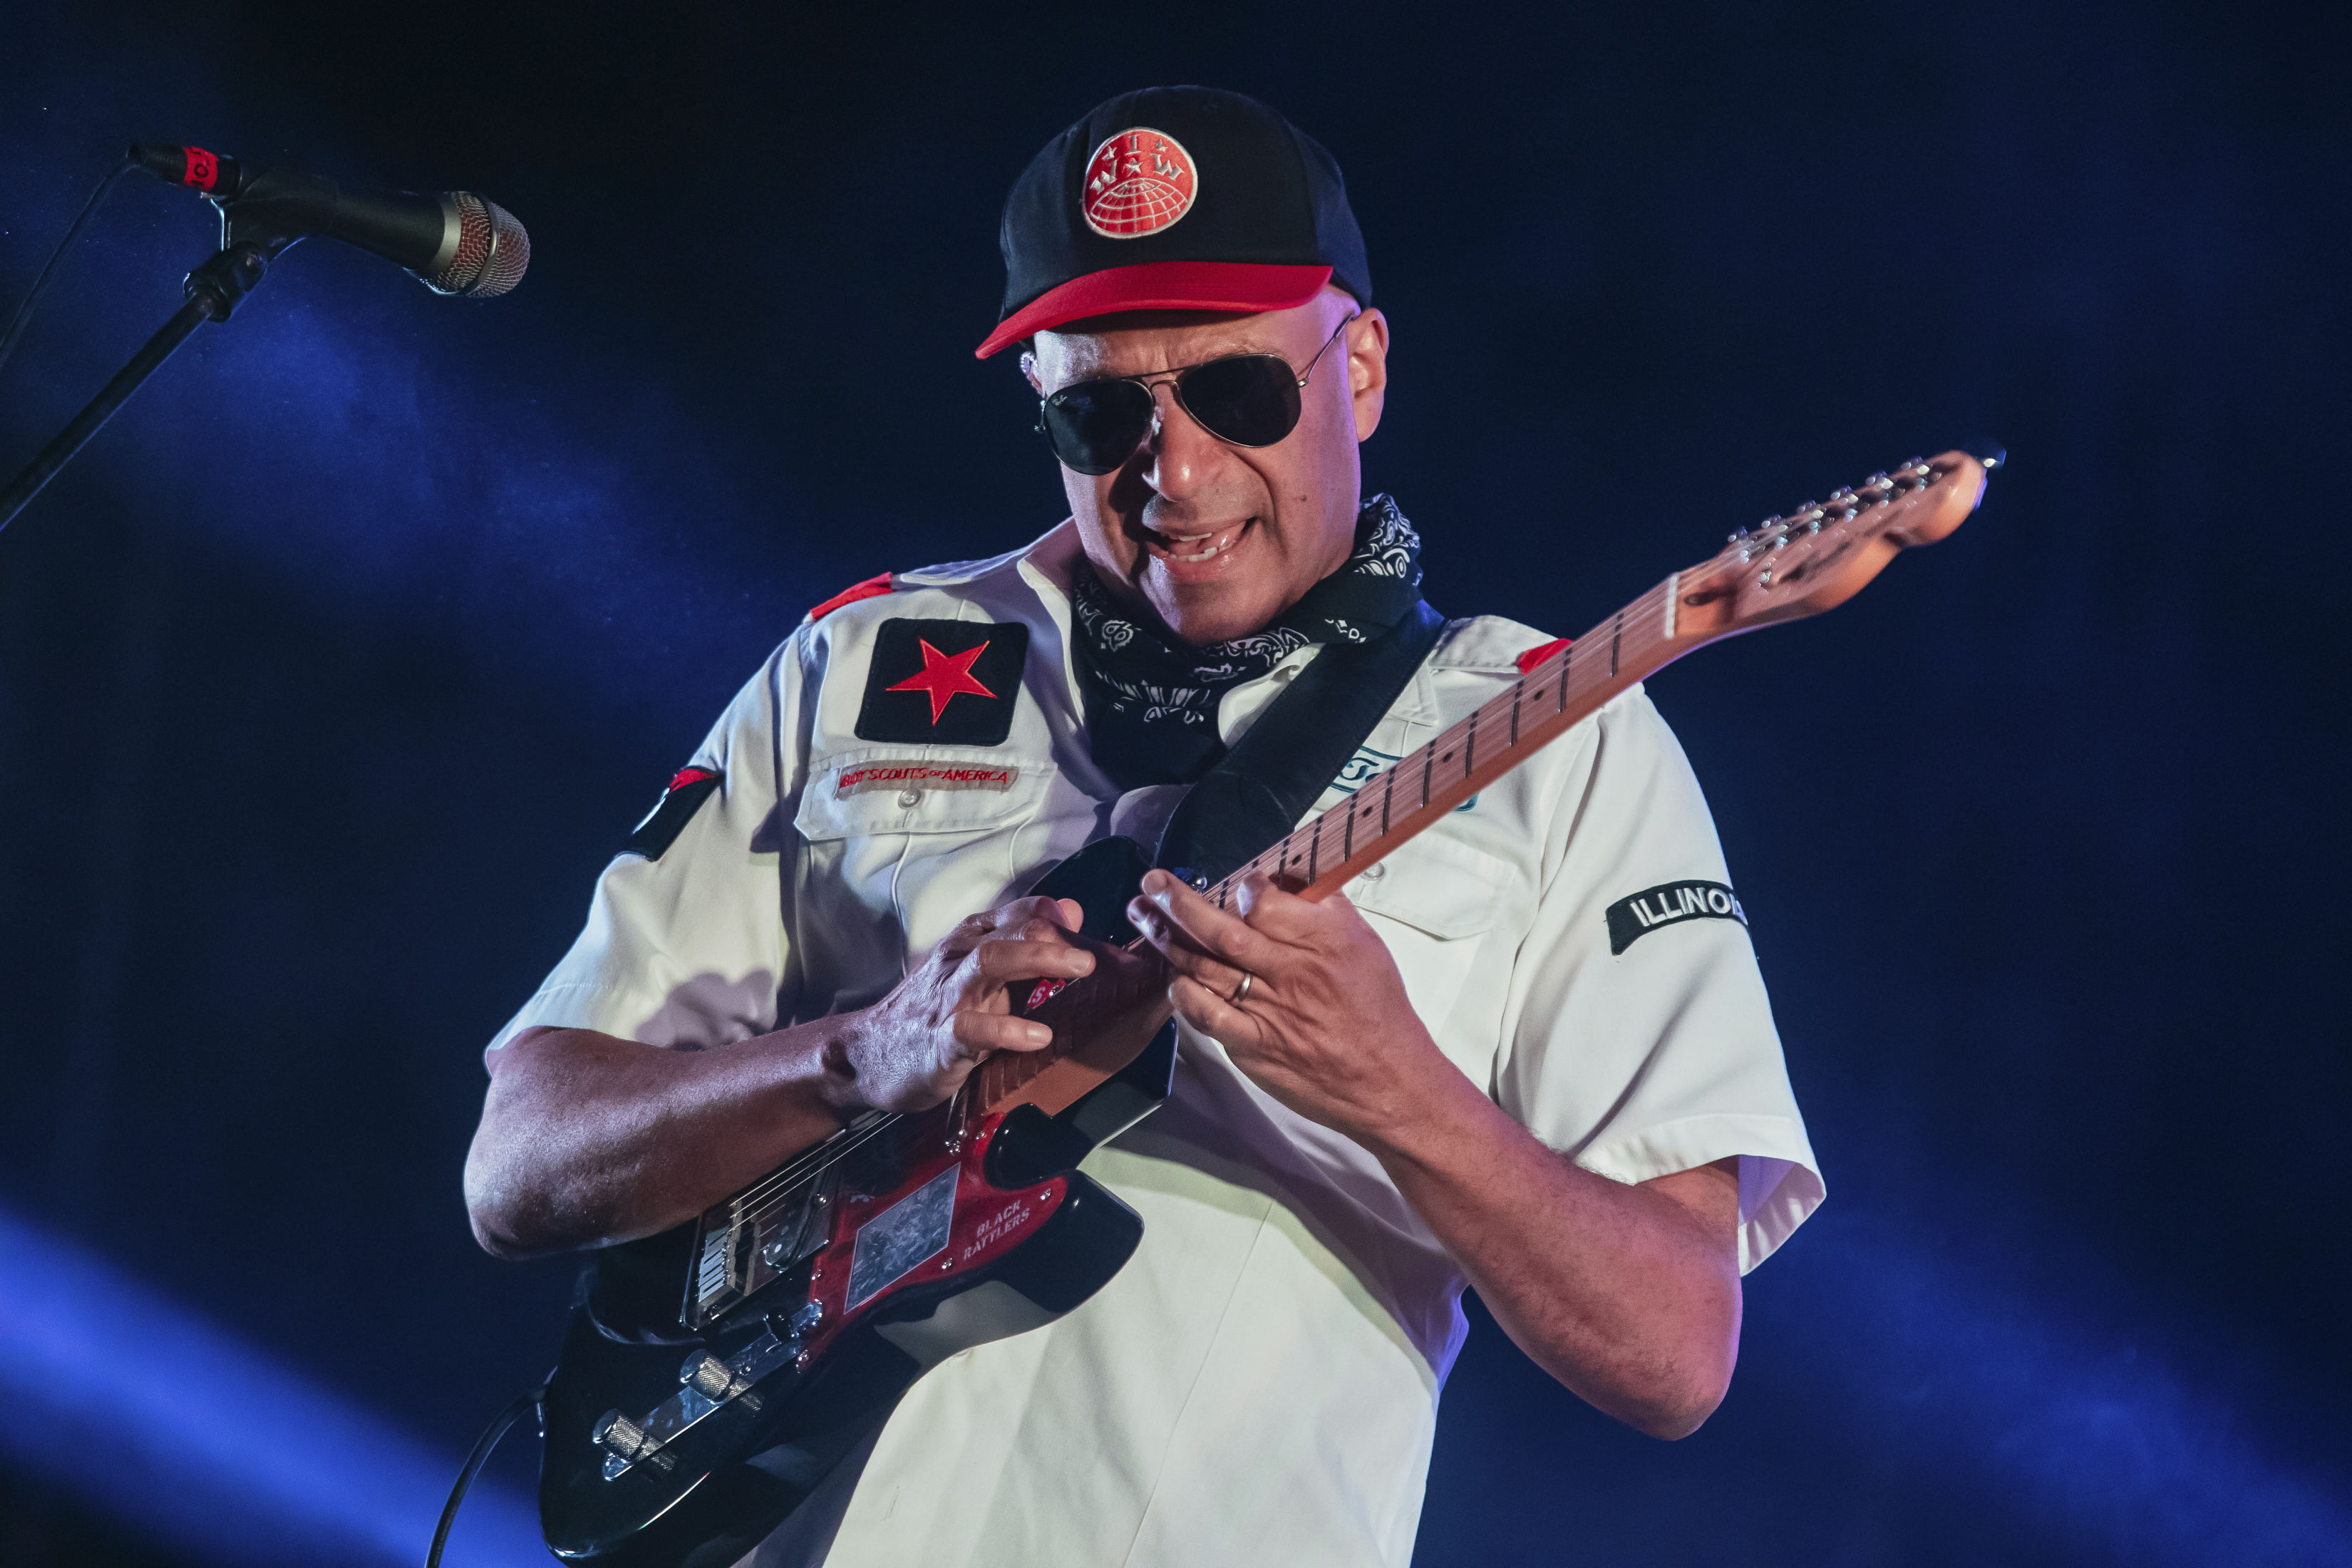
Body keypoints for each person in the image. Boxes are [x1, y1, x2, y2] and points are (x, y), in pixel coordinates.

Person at [464, 86, 1822, 1567]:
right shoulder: (861, 660)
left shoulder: (1566, 732)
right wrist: (858, 1053)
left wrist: (1399, 1090)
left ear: (1360, 368)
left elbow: (1678, 1349)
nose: (1170, 474)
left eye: (1240, 393)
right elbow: (518, 1162)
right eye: (1103, 410)